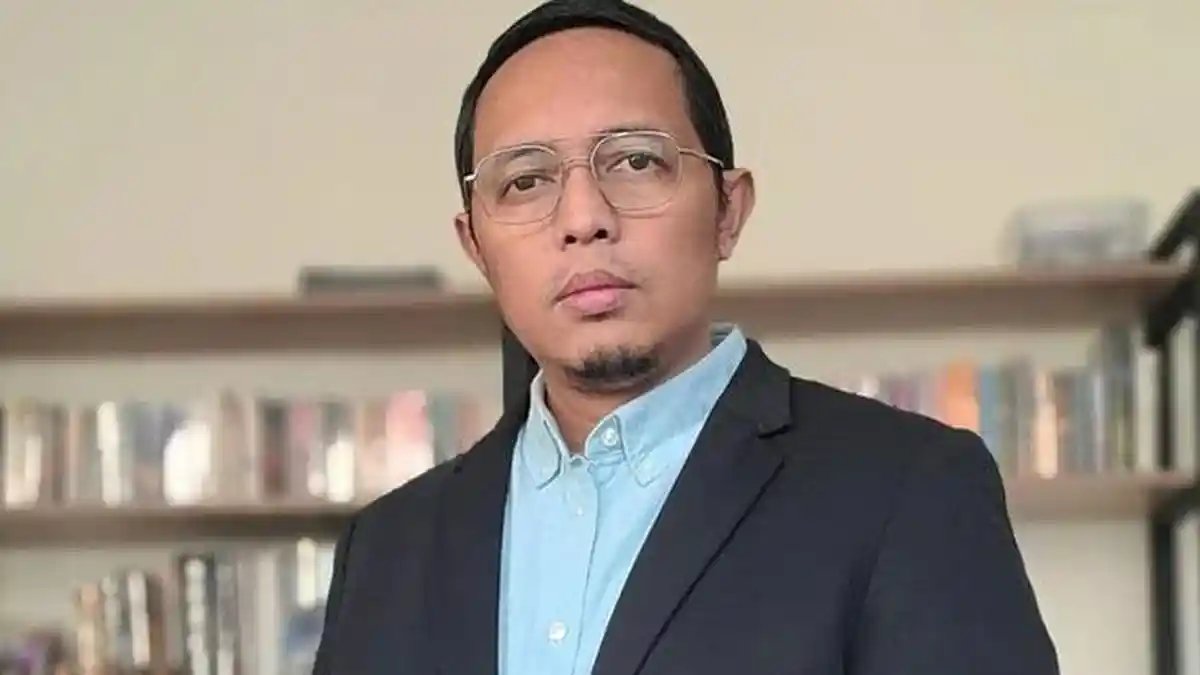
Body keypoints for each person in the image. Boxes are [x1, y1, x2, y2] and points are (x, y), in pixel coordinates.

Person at [312, 1, 1059, 673]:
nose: (583, 218)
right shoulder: (385, 549)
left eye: (636, 161)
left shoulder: (910, 489)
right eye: (526, 181)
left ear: (728, 211)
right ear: (475, 246)